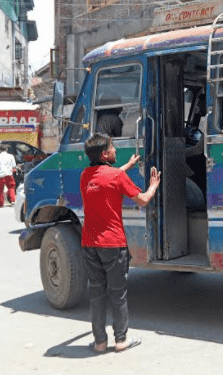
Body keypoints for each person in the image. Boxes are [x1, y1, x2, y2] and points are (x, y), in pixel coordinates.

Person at [80, 132, 161, 354]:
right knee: (118, 293)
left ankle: (99, 342)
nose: (116, 150)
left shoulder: (86, 176)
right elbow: (143, 200)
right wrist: (154, 185)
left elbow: (107, 179)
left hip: (89, 243)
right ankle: (121, 340)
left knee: (97, 293)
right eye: (113, 147)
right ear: (105, 154)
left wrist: (127, 165)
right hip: (112, 245)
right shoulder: (115, 177)